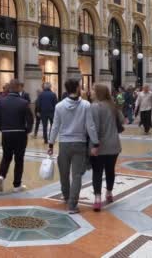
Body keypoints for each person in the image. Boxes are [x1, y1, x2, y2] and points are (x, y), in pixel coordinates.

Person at [47, 79, 99, 214]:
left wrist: (51, 143)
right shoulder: (86, 105)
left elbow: (55, 126)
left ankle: (66, 196)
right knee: (76, 175)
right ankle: (72, 205)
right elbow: (90, 126)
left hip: (64, 144)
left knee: (64, 174)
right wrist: (95, 142)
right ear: (76, 88)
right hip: (80, 144)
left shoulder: (59, 106)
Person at [0, 79, 34, 193]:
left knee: (6, 157)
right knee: (19, 159)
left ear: (9, 88)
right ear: (17, 88)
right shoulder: (23, 102)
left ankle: (1, 176)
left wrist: (2, 128)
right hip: (20, 134)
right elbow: (30, 120)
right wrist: (27, 130)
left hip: (6, 133)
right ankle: (17, 185)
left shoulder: (1, 102)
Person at [90, 84, 123, 212]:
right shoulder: (112, 105)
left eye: (93, 89)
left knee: (97, 172)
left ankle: (97, 199)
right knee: (110, 170)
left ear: (98, 92)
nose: (91, 91)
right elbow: (122, 120)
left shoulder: (95, 106)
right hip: (114, 145)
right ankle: (109, 193)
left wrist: (94, 145)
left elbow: (95, 128)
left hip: (100, 145)